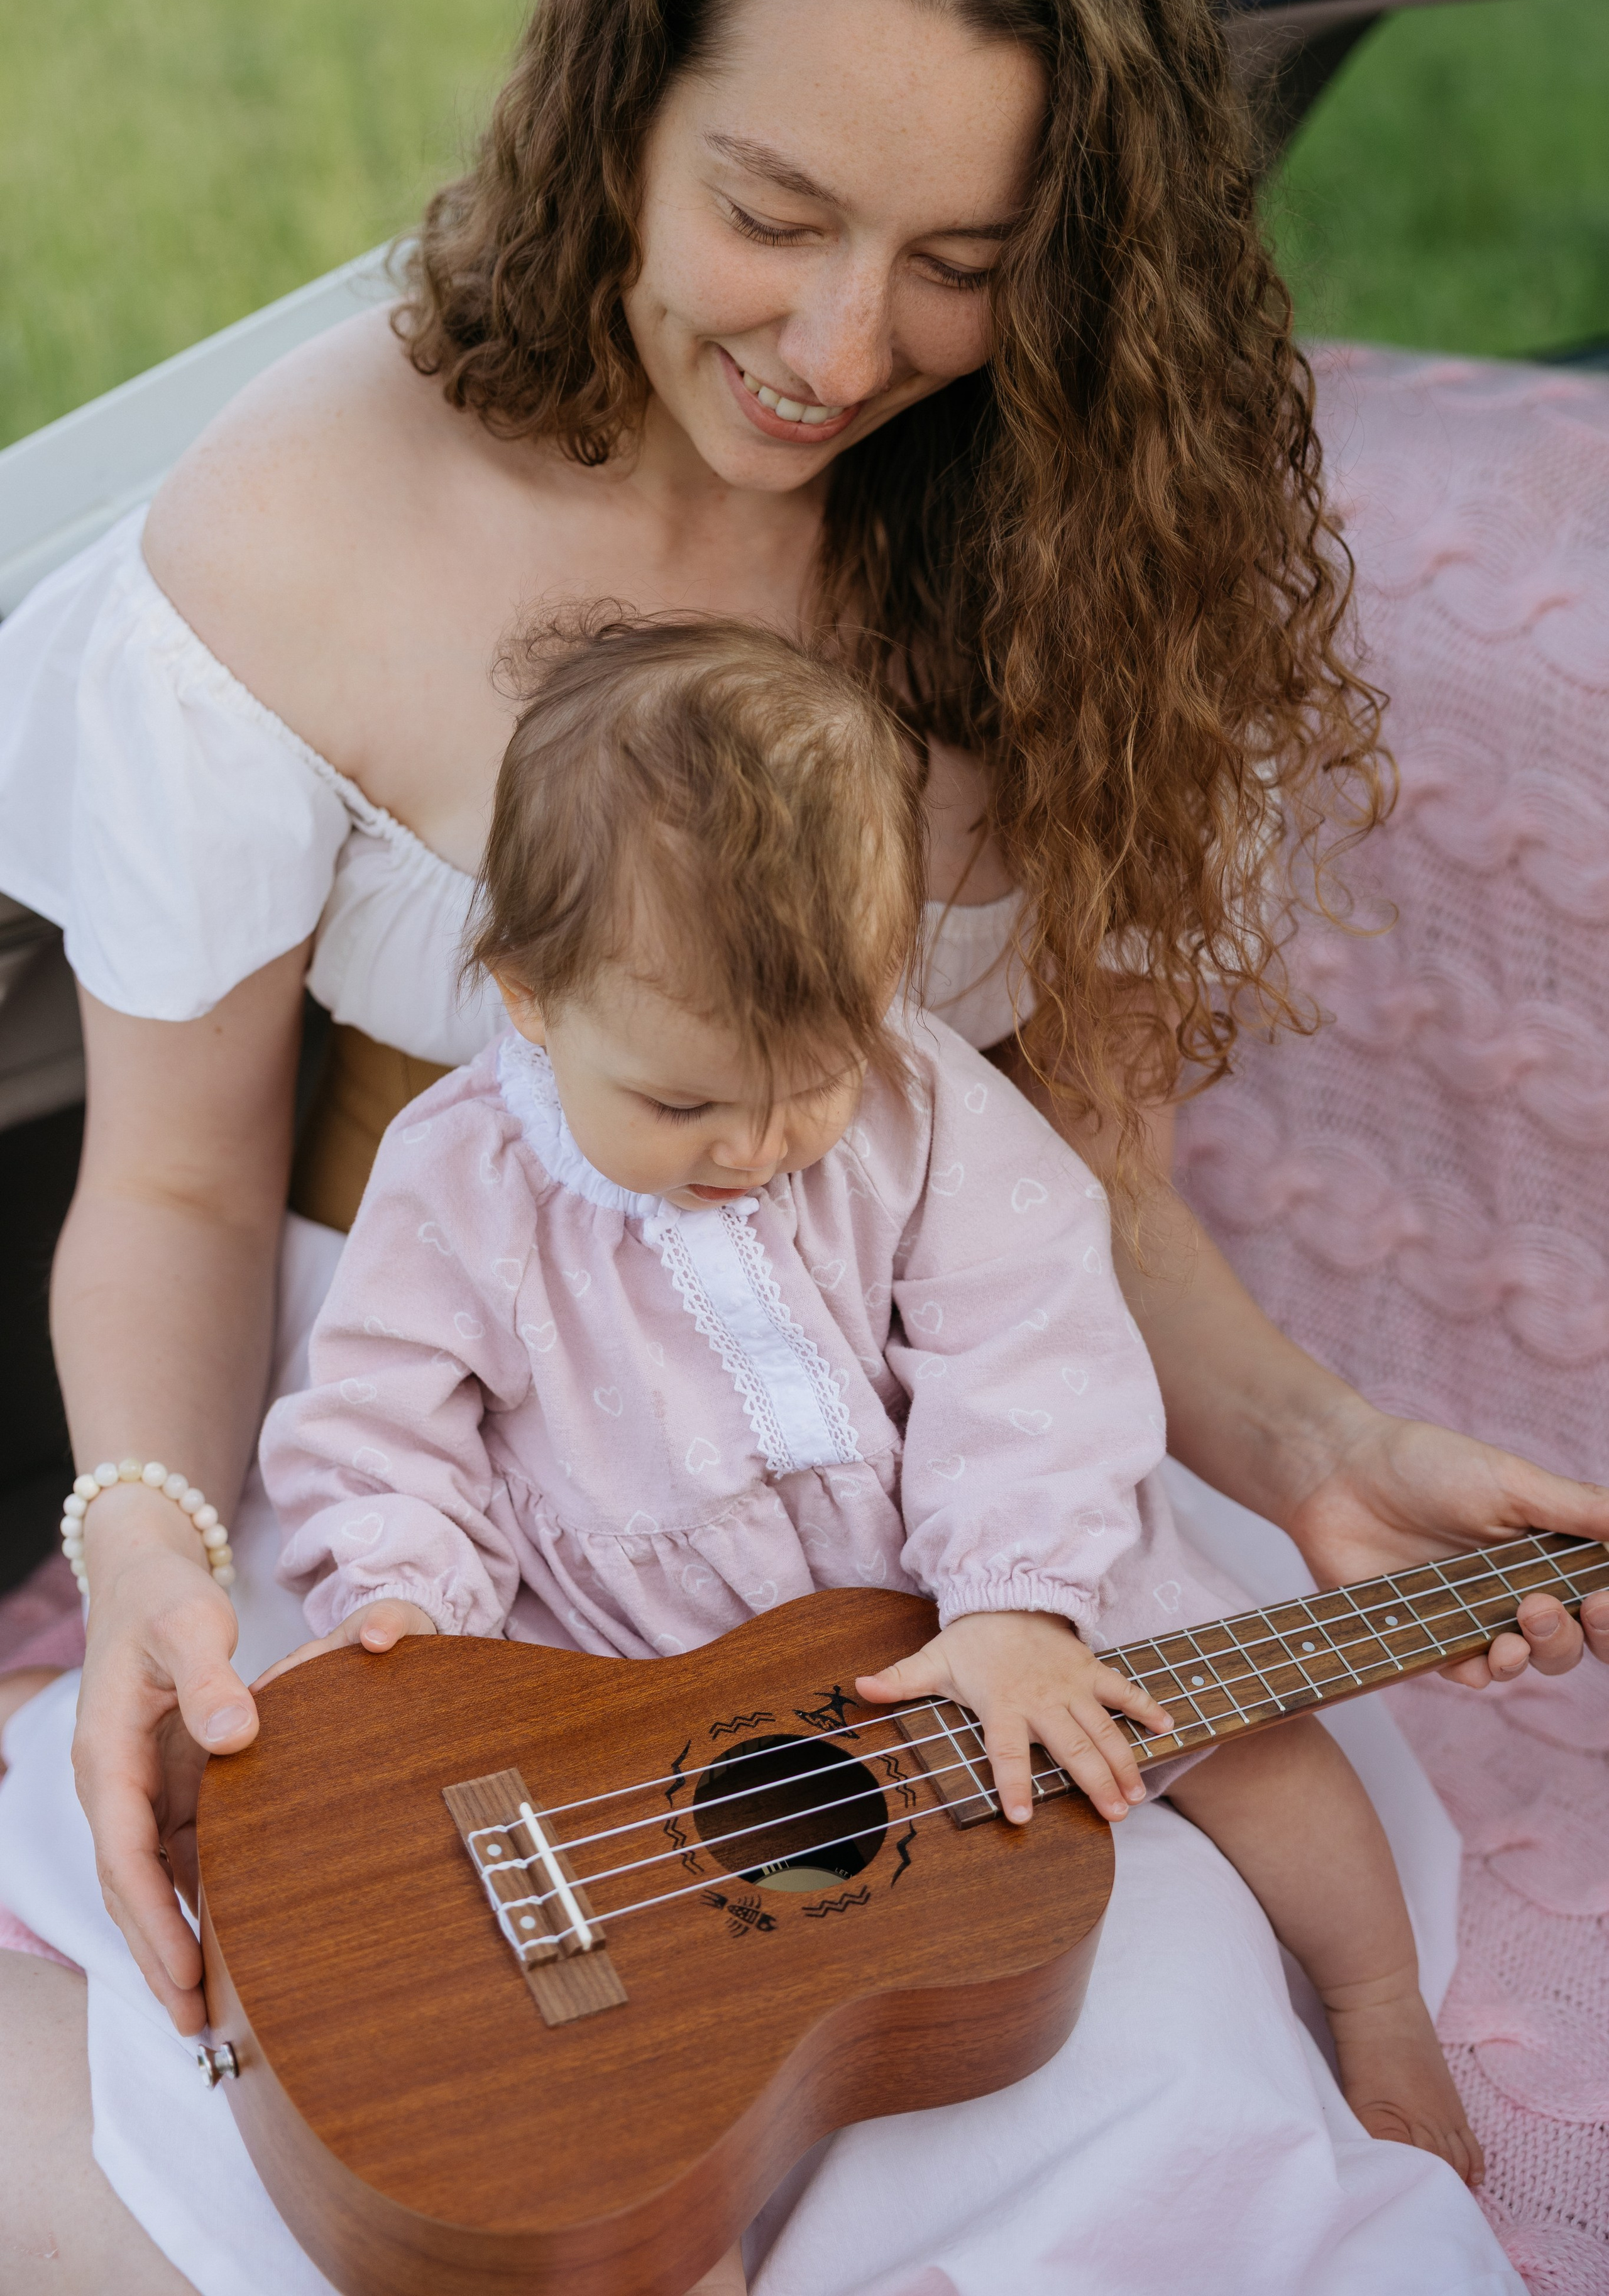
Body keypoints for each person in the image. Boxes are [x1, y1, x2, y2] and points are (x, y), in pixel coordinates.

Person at [0, 0, 1603, 2288]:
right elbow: (186, 1194)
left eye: (968, 257)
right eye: (773, 215)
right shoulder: (318, 511)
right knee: (411, 2126)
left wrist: (1309, 1445)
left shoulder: (1091, 541)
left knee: (1122, 2082)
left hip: (916, 1505)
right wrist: (148, 1540)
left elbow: (1086, 1196)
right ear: (618, 123)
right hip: (465, 1483)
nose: (846, 346)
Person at [255, 614, 1485, 2282]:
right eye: (685, 1107)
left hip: (958, 1549)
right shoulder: (458, 1179)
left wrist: (1013, 1594)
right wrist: (402, 1599)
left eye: (806, 1082)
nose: (755, 1147)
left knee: (1240, 1715)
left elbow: (1022, 1343)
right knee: (654, 1977)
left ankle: (1378, 2003)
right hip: (640, 1638)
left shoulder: (915, 1105)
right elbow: (388, 1421)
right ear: (531, 999)